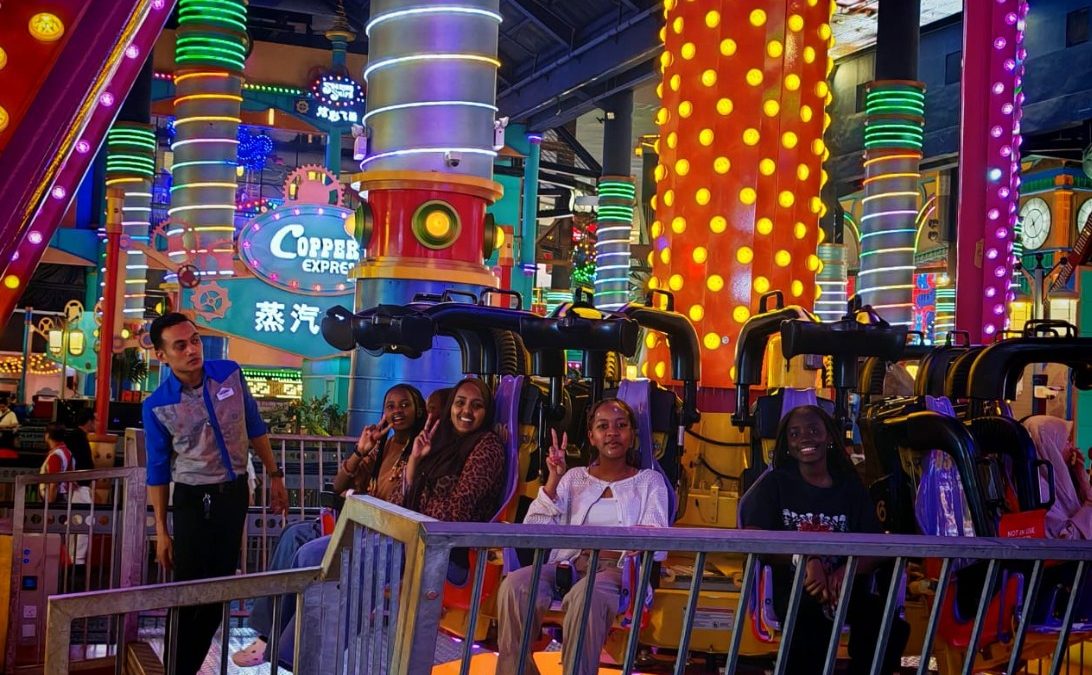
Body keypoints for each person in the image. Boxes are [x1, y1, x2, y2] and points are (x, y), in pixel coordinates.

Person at [245, 378, 506, 669]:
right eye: (460, 403)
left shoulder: (486, 448)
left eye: (476, 405)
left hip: (442, 549)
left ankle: (303, 658)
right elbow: (399, 500)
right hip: (404, 535)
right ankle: (279, 646)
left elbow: (453, 513)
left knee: (355, 562)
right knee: (310, 553)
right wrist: (414, 466)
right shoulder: (436, 446)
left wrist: (414, 502)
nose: (466, 411)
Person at [232, 383, 427, 667]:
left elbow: (404, 502)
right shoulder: (381, 448)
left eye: (405, 405)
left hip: (378, 530)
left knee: (307, 551)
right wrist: (360, 451)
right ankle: (267, 633)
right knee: (291, 534)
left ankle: (284, 641)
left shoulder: (420, 449)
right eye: (390, 406)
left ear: (419, 409)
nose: (397, 411)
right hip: (356, 521)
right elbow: (337, 486)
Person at [141, 312, 288, 675]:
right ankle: (178, 668)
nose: (192, 350)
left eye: (194, 340)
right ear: (162, 355)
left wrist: (275, 476)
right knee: (188, 591)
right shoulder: (157, 405)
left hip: (233, 494)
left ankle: (184, 668)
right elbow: (157, 470)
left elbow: (255, 425)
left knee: (219, 590)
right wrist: (161, 531)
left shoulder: (229, 373)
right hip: (191, 499)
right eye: (180, 345)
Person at [496, 398, 670, 675]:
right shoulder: (574, 478)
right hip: (570, 565)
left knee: (585, 594)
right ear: (591, 436)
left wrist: (640, 540)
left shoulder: (649, 481)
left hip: (618, 572)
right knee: (514, 586)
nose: (612, 432)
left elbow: (657, 537)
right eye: (603, 426)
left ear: (632, 435)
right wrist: (553, 479)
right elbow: (534, 527)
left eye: (621, 425)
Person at [739, 405, 909, 674]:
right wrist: (804, 559)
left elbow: (877, 544)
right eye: (795, 434)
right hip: (795, 591)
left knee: (888, 625)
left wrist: (847, 571)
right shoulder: (774, 485)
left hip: (846, 590)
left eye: (813, 430)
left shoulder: (850, 488)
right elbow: (752, 537)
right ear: (787, 444)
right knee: (810, 623)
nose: (804, 438)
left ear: (829, 436)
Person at [1023, 415, 1092, 539]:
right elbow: (1066, 538)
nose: (1072, 446)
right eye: (1066, 440)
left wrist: (1081, 477)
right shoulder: (1040, 489)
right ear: (1050, 445)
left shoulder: (1057, 480)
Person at [38, 424, 94, 568]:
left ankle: (53, 567)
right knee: (61, 535)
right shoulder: (67, 452)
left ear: (47, 436)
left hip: (56, 498)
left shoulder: (56, 455)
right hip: (64, 497)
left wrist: (50, 504)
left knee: (54, 535)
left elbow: (54, 481)